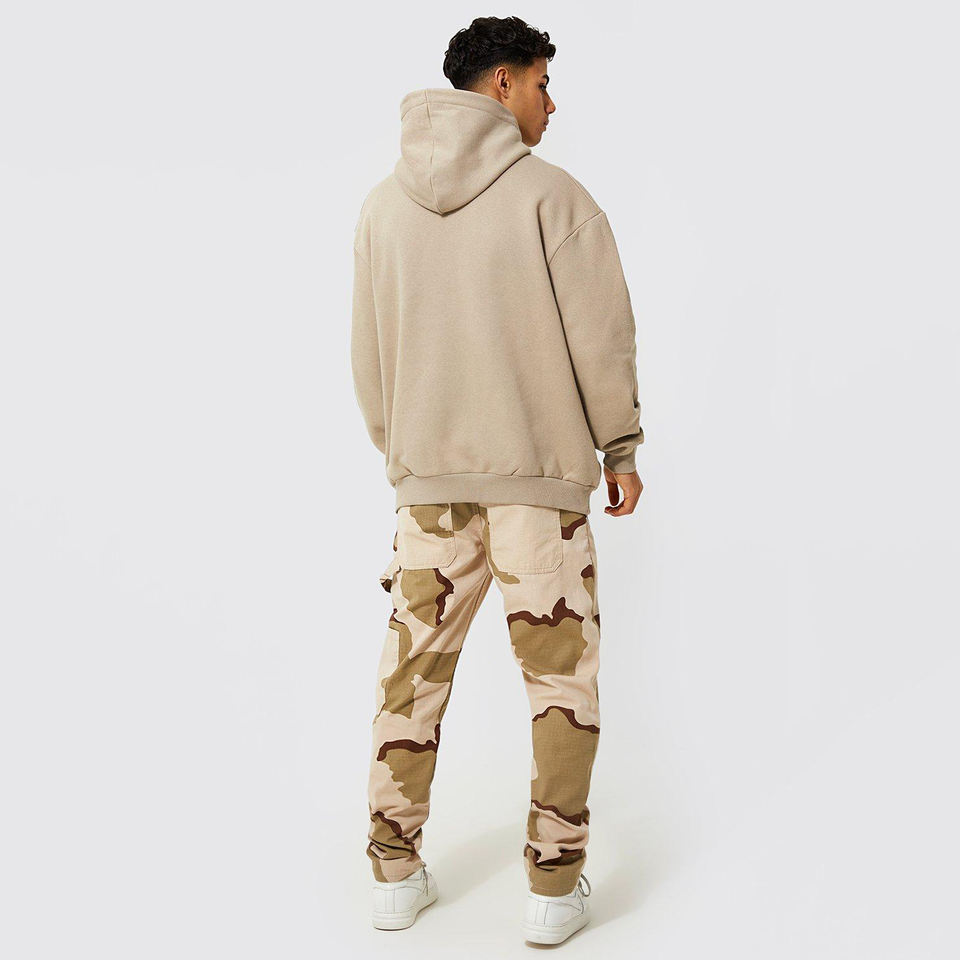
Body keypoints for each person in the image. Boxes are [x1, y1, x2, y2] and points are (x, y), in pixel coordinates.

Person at [351, 15, 644, 945]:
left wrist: (410, 456)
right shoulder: (553, 198)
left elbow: (369, 359)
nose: (552, 105)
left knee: (412, 679)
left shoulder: (381, 209)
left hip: (427, 488)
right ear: (503, 83)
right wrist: (620, 447)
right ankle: (553, 892)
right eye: (543, 84)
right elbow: (601, 338)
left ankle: (393, 876)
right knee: (560, 686)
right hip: (537, 490)